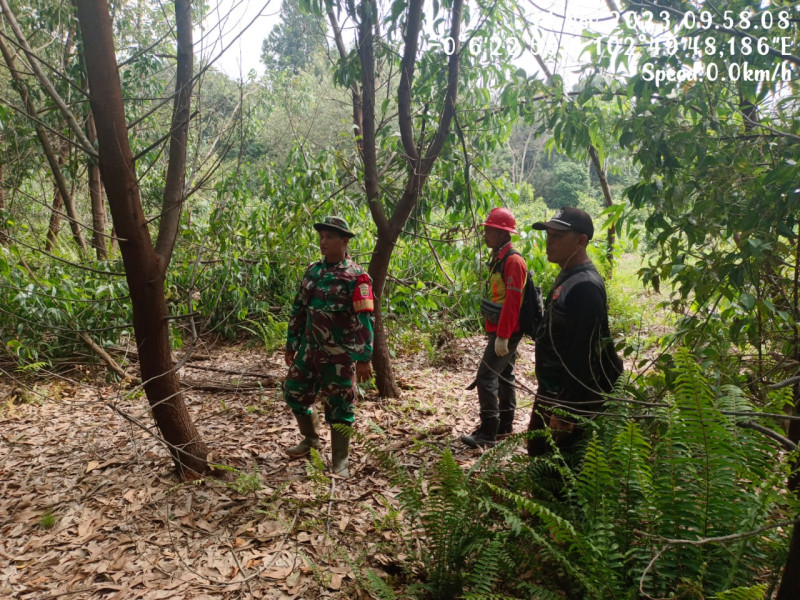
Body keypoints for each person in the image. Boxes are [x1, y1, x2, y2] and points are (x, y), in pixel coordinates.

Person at [526, 207, 622, 458]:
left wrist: (566, 410)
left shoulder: (585, 287)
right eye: (549, 235)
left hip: (568, 398)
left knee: (558, 468)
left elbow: (583, 353)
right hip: (552, 390)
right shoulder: (568, 274)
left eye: (558, 236)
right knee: (539, 455)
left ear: (581, 241)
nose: (549, 242)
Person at [283, 216, 374, 477]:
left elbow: (365, 319)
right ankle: (310, 439)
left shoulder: (357, 277)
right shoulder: (313, 270)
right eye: (321, 236)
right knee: (294, 393)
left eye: (330, 237)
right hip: (310, 350)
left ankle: (340, 460)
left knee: (340, 407)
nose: (323, 242)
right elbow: (299, 308)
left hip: (340, 355)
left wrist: (364, 358)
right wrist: (292, 343)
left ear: (345, 241)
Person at [461, 207, 528, 449]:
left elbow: (513, 301)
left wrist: (504, 336)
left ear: (502, 234)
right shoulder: (499, 258)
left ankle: (488, 431)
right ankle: (505, 424)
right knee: (504, 374)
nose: (485, 234)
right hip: (499, 328)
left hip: (507, 330)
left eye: (489, 230)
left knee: (486, 376)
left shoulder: (513, 261)